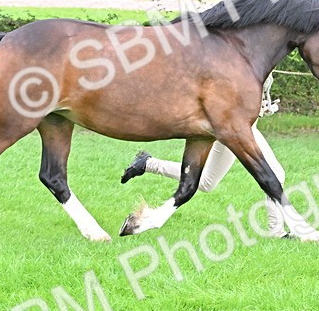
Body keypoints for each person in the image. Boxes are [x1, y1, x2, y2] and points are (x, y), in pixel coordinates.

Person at [120, 75, 289, 237]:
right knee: (275, 173)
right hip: (235, 125)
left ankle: (147, 163)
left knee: (207, 182)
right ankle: (277, 232)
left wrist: (261, 106)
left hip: (239, 124)